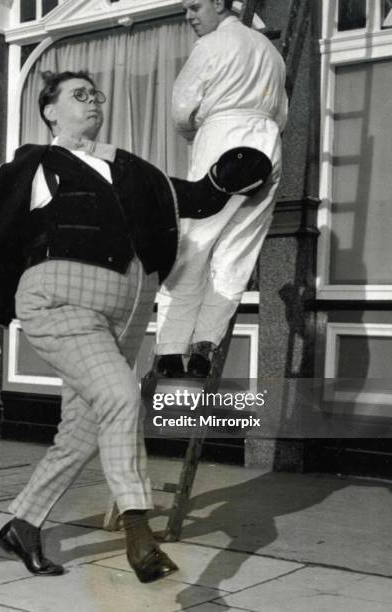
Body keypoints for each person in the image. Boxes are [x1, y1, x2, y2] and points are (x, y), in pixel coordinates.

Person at [0, 70, 272, 583]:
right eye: (79, 94)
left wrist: (226, 181)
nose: (93, 101)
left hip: (128, 309)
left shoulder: (128, 166)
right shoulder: (37, 163)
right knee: (121, 396)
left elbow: (186, 199)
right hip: (59, 300)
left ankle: (22, 525)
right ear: (50, 110)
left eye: (96, 94)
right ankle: (139, 535)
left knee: (84, 428)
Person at [156, 0, 288, 378]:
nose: (189, 16)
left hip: (224, 137)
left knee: (194, 245)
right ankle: (204, 347)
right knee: (237, 252)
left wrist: (196, 132)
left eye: (195, 6)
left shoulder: (211, 45)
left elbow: (182, 108)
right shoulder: (271, 53)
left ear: (219, 3)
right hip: (268, 145)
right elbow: (283, 114)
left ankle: (169, 349)